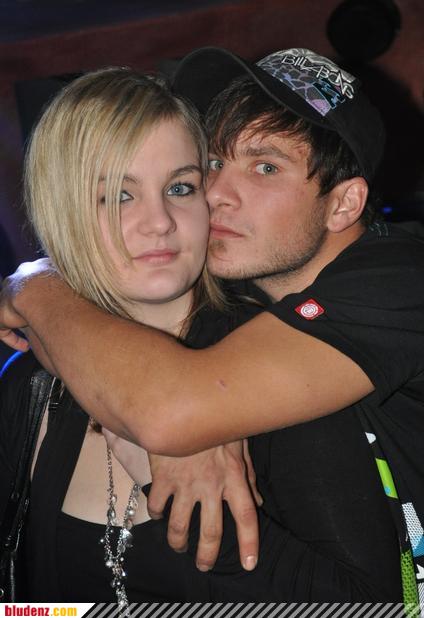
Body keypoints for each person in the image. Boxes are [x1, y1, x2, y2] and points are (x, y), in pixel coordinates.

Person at [2, 46, 424, 601]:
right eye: (214, 164)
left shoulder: (402, 281)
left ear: (343, 205)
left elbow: (173, 408)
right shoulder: (35, 381)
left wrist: (33, 286)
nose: (215, 195)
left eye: (266, 167)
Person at [0, 66, 265, 605]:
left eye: (180, 188)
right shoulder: (28, 382)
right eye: (118, 196)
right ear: (63, 211)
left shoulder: (274, 365)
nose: (160, 221)